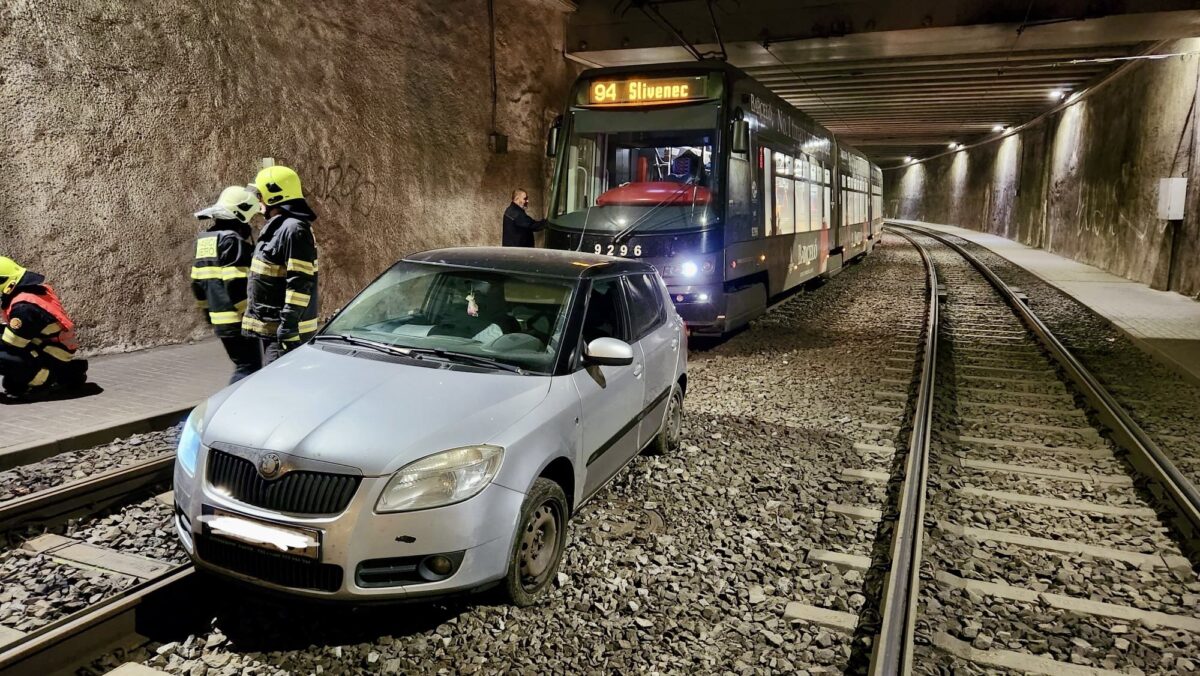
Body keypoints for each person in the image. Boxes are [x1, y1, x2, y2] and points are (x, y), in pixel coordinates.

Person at [242, 165, 319, 364]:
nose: (258, 202)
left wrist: (288, 327)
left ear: (274, 196)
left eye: (260, 196)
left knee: (278, 391)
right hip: (273, 331)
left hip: (284, 335)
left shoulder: (294, 230)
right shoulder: (278, 227)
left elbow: (300, 283)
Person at [191, 185, 262, 383]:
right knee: (249, 368)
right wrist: (249, 316)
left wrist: (208, 313)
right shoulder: (232, 240)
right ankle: (233, 407)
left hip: (220, 319)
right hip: (237, 320)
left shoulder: (204, 240)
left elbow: (197, 283)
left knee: (243, 365)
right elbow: (235, 283)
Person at [0, 257, 89, 399]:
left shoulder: (23, 308)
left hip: (51, 353)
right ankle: (66, 373)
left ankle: (47, 380)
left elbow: (13, 343)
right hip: (52, 348)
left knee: (4, 359)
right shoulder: (33, 291)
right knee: (13, 384)